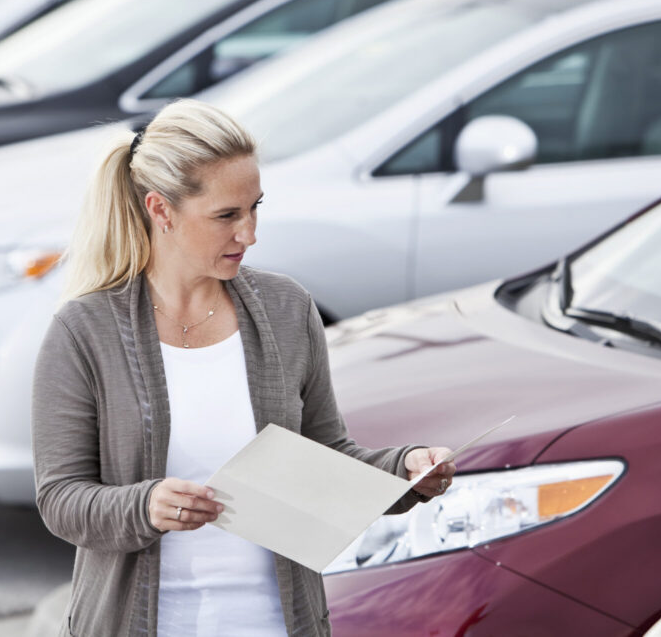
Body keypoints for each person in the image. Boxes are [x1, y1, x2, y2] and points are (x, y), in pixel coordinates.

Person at [31, 99, 455, 637]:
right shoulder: (84, 330)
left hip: (278, 623)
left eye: (256, 207)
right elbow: (62, 498)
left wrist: (405, 470)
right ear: (161, 211)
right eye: (227, 216)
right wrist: (146, 505)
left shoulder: (287, 309)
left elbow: (328, 458)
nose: (249, 233)